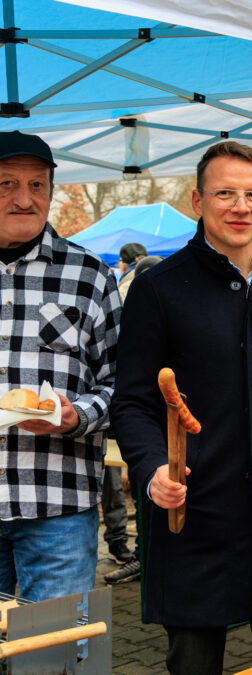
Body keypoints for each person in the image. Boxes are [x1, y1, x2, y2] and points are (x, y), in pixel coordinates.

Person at [112, 141, 252, 673]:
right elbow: (133, 402)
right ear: (197, 200)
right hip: (195, 513)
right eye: (225, 194)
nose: (241, 207)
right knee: (192, 662)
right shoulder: (159, 288)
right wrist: (150, 473)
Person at [0, 131, 122, 602]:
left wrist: (78, 415)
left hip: (58, 506)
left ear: (51, 192)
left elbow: (122, 383)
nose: (23, 198)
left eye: (36, 185)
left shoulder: (90, 275)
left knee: (57, 659)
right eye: (6, 184)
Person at [104, 254, 164, 586]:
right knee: (144, 498)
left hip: (173, 434)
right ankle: (140, 556)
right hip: (141, 434)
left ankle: (146, 558)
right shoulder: (131, 321)